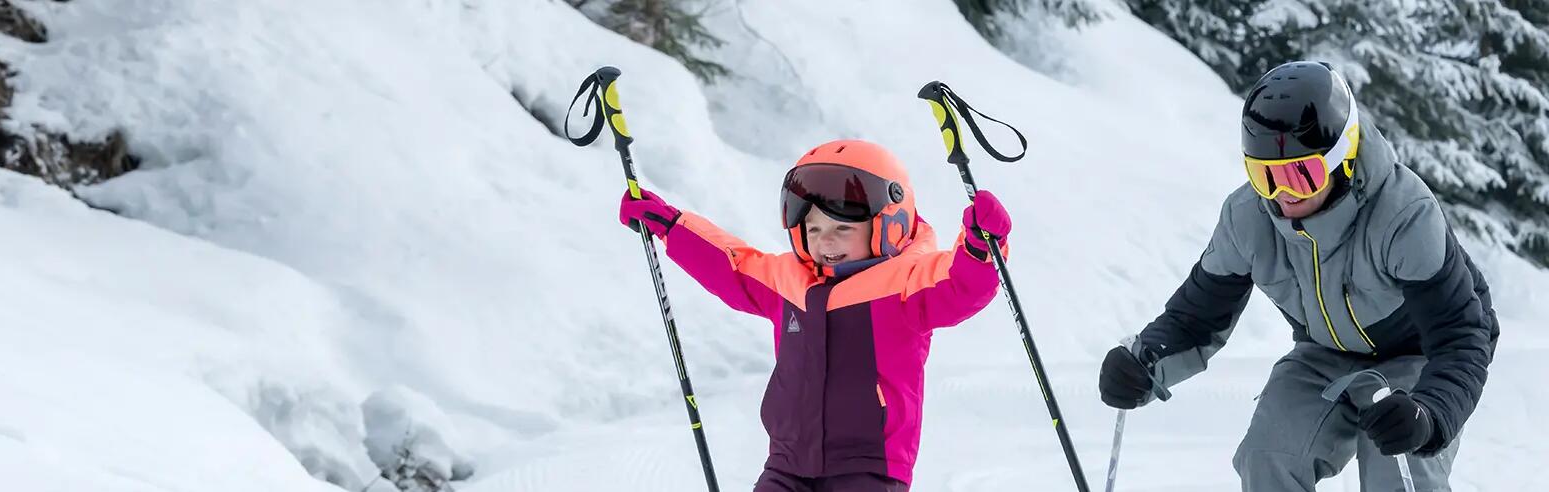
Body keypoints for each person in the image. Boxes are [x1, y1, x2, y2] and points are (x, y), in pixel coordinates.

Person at [1097, 61, 1499, 491]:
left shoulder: (1403, 214)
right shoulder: (1248, 218)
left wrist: (1429, 413)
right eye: (1264, 176)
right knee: (1268, 456)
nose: (1282, 194)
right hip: (1323, 353)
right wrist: (1144, 362)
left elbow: (1461, 335)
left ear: (1342, 159)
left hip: (1417, 354)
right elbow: (1197, 318)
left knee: (1397, 472)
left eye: (1301, 175)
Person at [619, 139, 1009, 491]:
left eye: (842, 228)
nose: (825, 241)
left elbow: (961, 286)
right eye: (814, 228)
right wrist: (669, 225)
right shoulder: (790, 281)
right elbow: (732, 267)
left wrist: (979, 246)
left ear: (890, 225)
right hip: (787, 464)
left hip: (867, 467)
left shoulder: (906, 285)